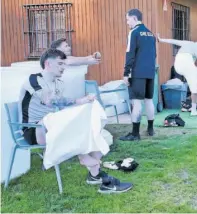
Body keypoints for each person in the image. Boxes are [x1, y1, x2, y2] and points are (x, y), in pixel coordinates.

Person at [20, 49, 133, 194]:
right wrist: (78, 101)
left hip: (50, 128)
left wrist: (85, 103)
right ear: (48, 63)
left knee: (88, 125)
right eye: (60, 64)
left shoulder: (59, 84)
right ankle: (84, 158)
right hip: (33, 130)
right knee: (58, 119)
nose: (63, 67)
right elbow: (48, 101)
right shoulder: (33, 79)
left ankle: (95, 174)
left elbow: (62, 106)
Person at [120, 9, 156, 141]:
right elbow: (154, 54)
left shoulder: (133, 32)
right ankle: (150, 129)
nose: (127, 22)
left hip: (138, 72)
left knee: (137, 102)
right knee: (149, 100)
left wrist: (126, 73)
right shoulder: (150, 34)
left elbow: (130, 54)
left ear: (134, 18)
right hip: (150, 72)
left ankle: (135, 134)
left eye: (128, 19)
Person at [157, 35, 197, 116]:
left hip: (177, 65)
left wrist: (161, 39)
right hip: (187, 65)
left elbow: (174, 41)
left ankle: (193, 106)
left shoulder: (189, 43)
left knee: (195, 84)